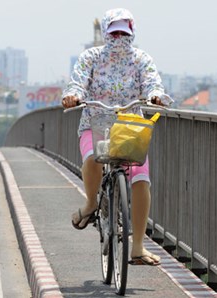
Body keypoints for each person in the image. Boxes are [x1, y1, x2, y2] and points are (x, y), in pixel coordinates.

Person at [62, 8, 173, 266]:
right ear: (105, 32)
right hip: (95, 122)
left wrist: (156, 95)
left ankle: (137, 247)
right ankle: (91, 204)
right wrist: (73, 95)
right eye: (114, 32)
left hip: (130, 127)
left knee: (141, 179)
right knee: (92, 158)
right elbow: (77, 82)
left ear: (132, 32)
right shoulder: (91, 57)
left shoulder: (141, 59)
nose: (119, 37)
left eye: (124, 31)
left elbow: (152, 82)